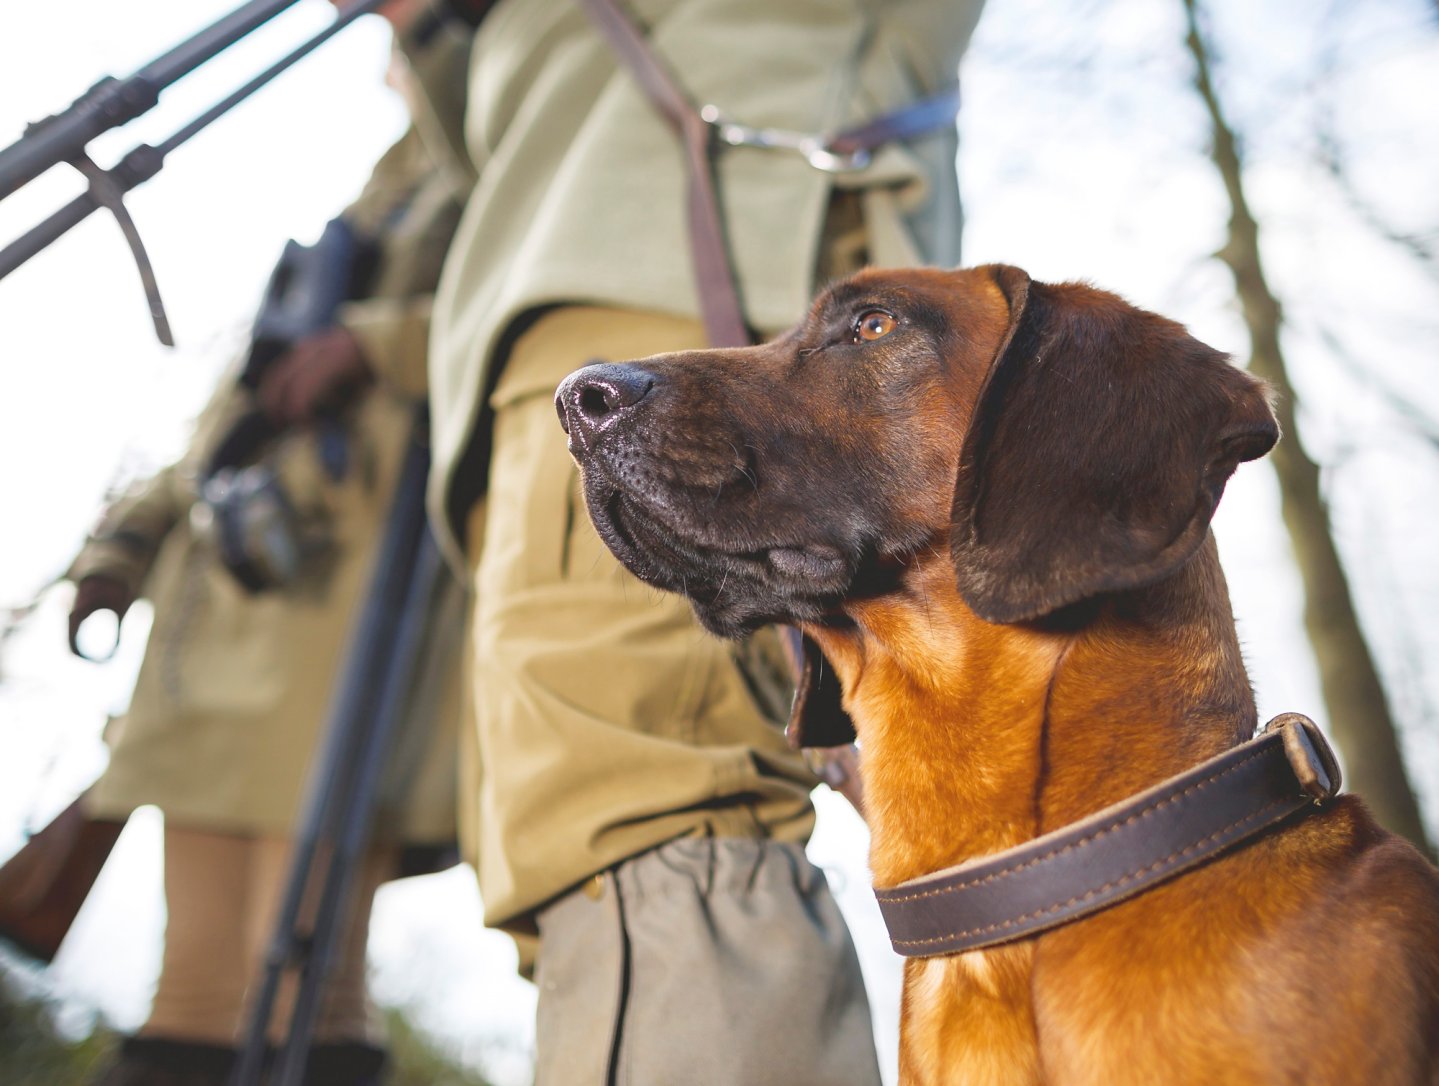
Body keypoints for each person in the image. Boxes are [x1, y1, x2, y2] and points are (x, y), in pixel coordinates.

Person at [427, 1, 988, 1081]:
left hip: (689, 290)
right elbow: (515, 137)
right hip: (568, 327)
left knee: (649, 814)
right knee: (584, 849)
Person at [61, 5, 476, 1083]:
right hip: (224, 602)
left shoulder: (499, 160)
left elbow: (531, 320)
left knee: (303, 986)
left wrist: (374, 345)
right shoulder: (377, 189)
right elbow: (228, 405)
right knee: (191, 990)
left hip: (355, 609)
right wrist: (123, 546)